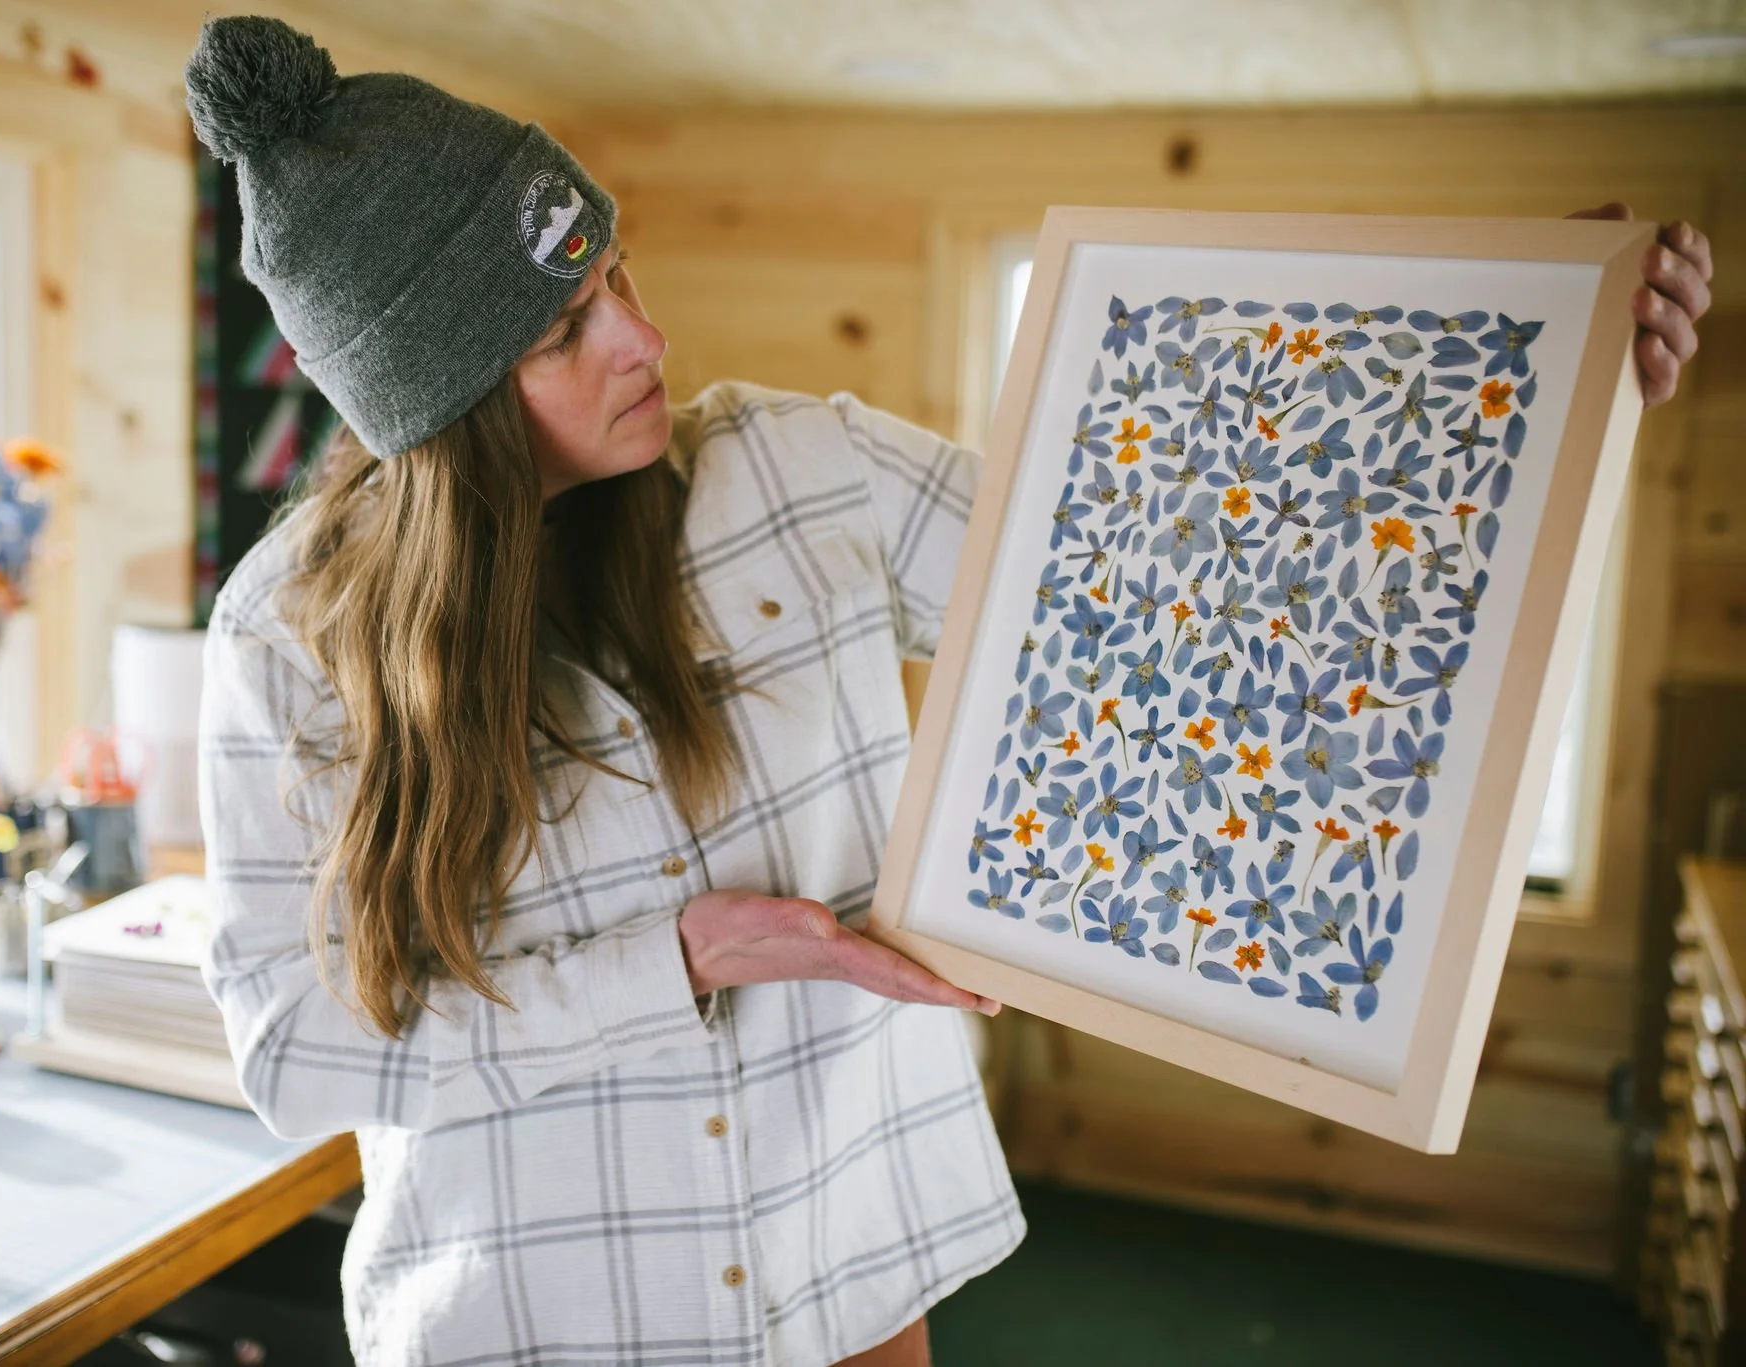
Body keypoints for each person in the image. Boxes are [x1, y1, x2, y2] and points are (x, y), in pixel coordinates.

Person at [183, 18, 1712, 1367]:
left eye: (616, 268)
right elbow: (300, 1054)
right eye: (566, 330)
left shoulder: (803, 465)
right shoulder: (281, 642)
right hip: (538, 1312)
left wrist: (1518, 369)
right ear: (440, 411)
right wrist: (687, 958)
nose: (644, 335)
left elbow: (1166, 567)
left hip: (853, 1260)